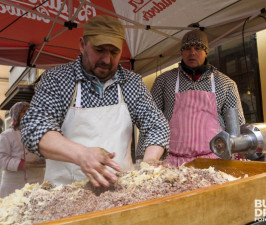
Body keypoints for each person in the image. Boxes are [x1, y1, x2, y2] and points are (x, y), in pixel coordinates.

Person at [21, 15, 170, 188]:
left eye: (114, 52)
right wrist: (80, 154)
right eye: (99, 50)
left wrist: (149, 162)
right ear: (82, 45)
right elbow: (34, 128)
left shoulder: (132, 83)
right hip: (65, 193)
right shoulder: (57, 79)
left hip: (121, 190)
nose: (107, 60)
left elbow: (157, 125)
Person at [151, 29, 245, 167]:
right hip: (171, 163)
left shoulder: (225, 83)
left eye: (198, 48)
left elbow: (236, 126)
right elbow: (151, 122)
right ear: (181, 52)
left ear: (206, 51)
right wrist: (148, 160)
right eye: (187, 48)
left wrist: (237, 157)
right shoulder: (164, 81)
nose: (192, 53)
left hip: (214, 161)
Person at [0, 102, 45, 198]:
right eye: (24, 111)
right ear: (16, 114)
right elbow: (1, 159)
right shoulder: (6, 135)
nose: (28, 113)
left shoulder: (39, 133)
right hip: (14, 184)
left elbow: (43, 152)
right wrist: (22, 164)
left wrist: (43, 160)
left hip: (37, 181)